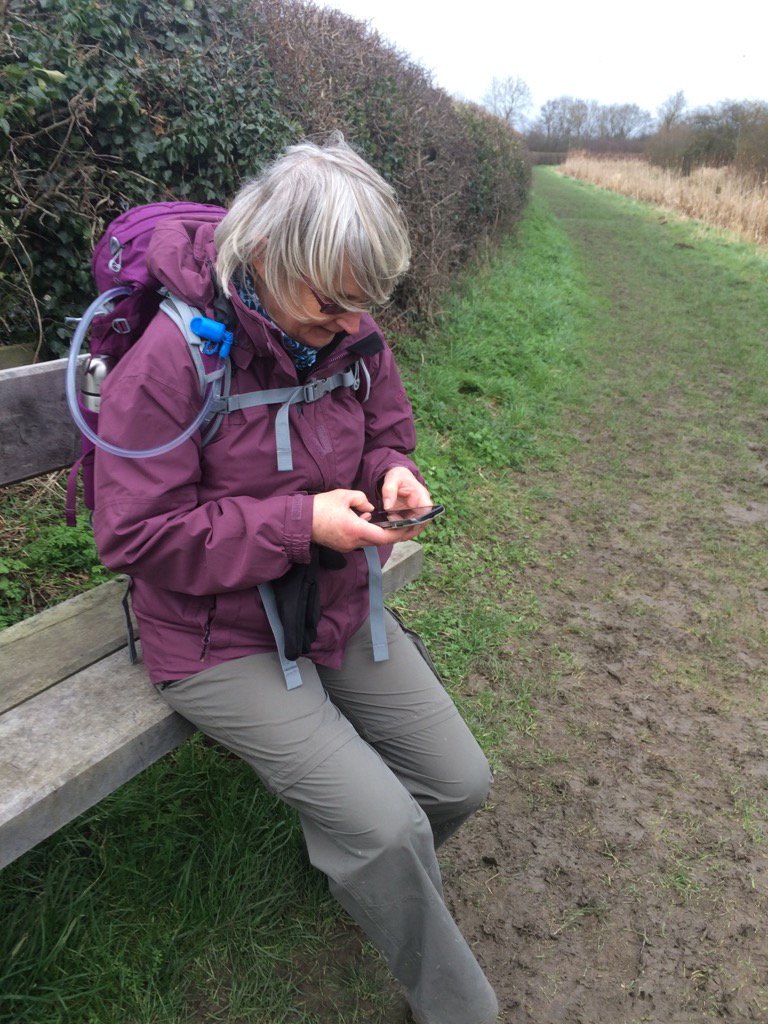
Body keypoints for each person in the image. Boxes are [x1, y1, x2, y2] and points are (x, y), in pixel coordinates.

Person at [93, 135, 498, 1024]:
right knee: (386, 827)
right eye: (334, 303)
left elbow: (388, 426)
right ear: (269, 256)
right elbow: (133, 536)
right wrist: (297, 524)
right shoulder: (171, 361)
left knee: (458, 782)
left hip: (334, 601)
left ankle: (370, 875)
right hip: (213, 637)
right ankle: (461, 1008)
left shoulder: (348, 332)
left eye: (366, 305)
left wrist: (394, 470)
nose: (354, 325)